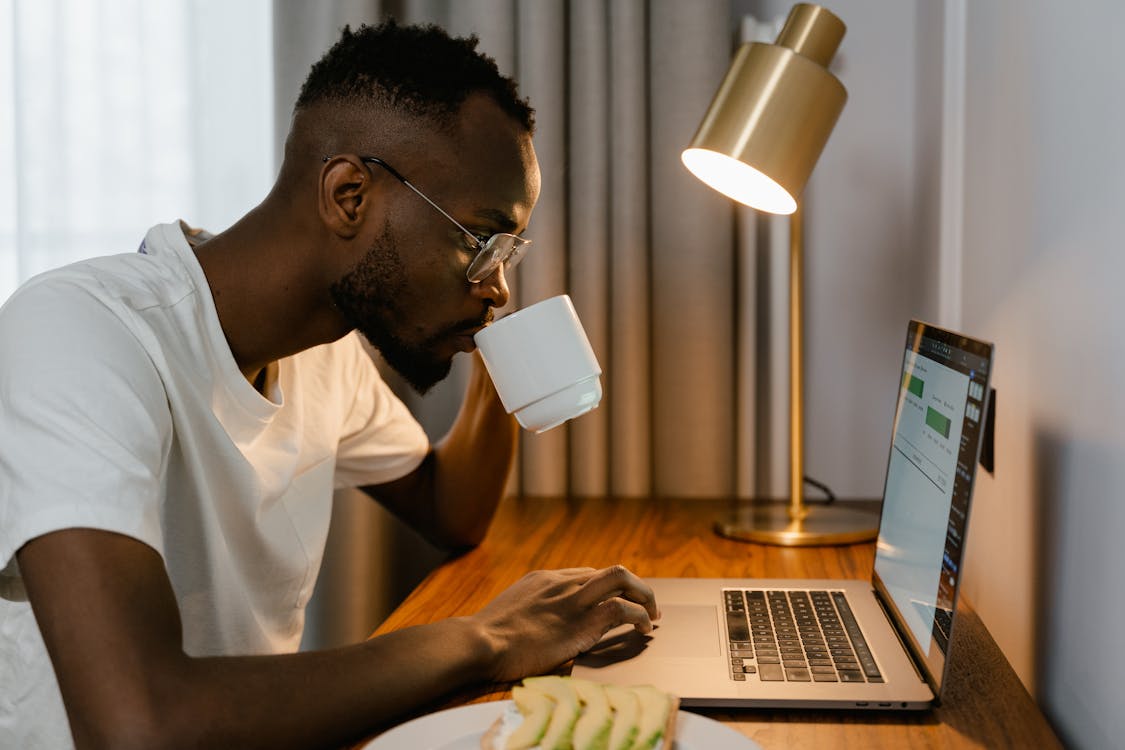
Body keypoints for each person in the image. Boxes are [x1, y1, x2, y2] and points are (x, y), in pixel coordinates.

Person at [0, 20, 658, 749]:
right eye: (481, 240)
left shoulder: (326, 350)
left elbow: (448, 510)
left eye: (506, 253)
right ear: (349, 194)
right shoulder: (80, 331)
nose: (498, 284)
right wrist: (486, 638)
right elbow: (138, 724)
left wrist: (498, 340)